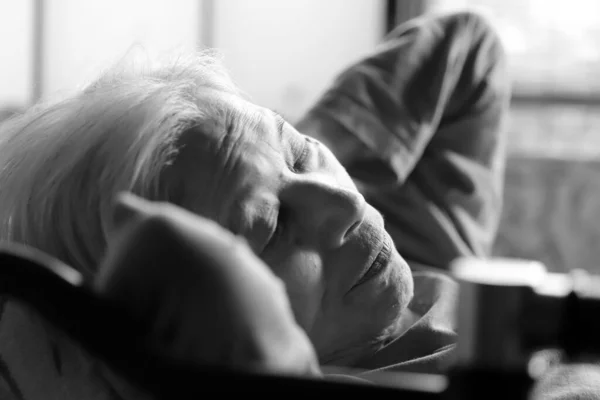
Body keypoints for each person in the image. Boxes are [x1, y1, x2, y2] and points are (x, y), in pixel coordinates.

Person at [7, 9, 592, 400]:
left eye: (304, 152)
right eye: (267, 229)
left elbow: (469, 48)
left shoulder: (400, 252)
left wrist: (291, 163)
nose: (342, 201)